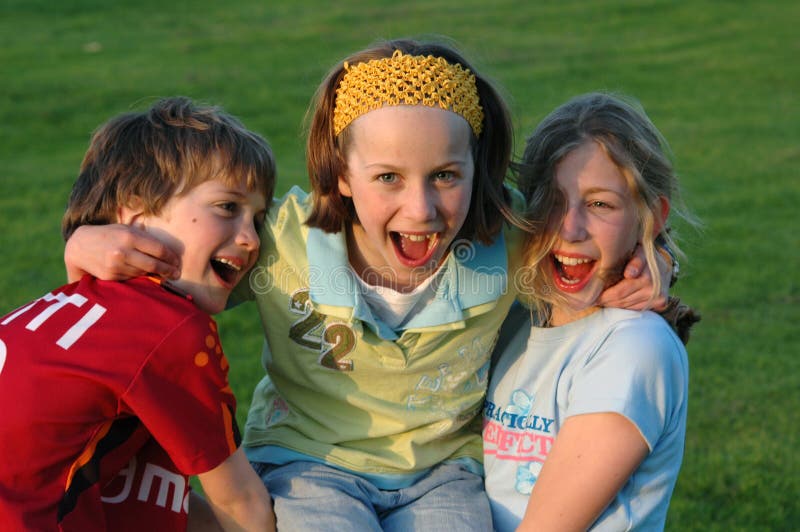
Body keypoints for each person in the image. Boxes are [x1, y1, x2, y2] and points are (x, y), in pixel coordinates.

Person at [63, 40, 670, 530]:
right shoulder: (282, 243)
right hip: (308, 463)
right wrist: (83, 243)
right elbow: (186, 269)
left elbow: (585, 247)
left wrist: (652, 264)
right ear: (341, 175)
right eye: (388, 177)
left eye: (445, 176)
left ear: (475, 168)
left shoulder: (503, 242)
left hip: (442, 474)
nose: (422, 206)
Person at [0, 97, 277, 531]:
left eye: (257, 219)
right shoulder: (169, 328)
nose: (250, 240)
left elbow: (160, 504)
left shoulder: (68, 305)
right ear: (136, 214)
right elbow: (242, 505)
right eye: (227, 207)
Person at [483, 92, 701, 531]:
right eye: (552, 202)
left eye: (600, 204)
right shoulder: (508, 323)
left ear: (651, 218)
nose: (570, 228)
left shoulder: (635, 348)